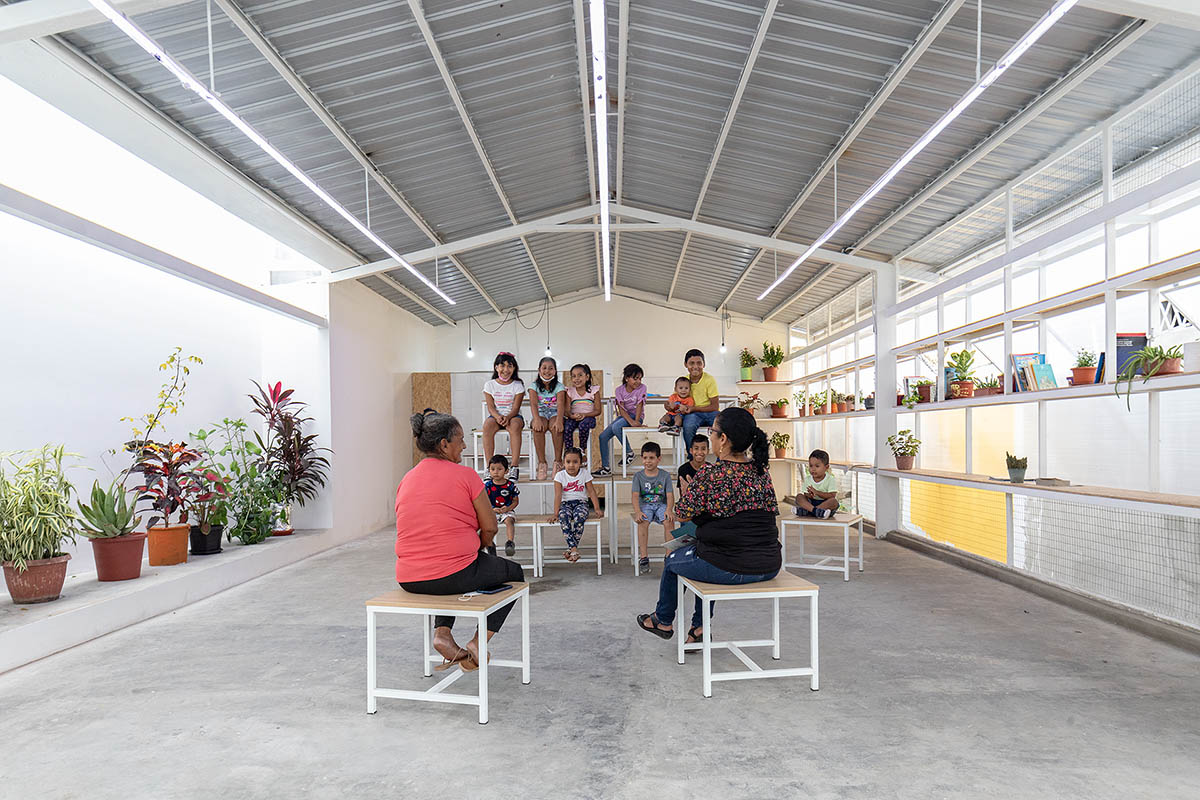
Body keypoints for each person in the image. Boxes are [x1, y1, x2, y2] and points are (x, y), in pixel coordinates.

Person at [636, 406, 780, 644]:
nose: (710, 436)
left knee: (674, 561)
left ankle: (663, 620)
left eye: (712, 432)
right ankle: (699, 629)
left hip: (731, 566)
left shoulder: (710, 474)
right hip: (769, 563)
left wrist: (689, 491)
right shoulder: (761, 471)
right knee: (706, 552)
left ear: (723, 439)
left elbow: (682, 514)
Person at [395, 409, 524, 672]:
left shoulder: (407, 479)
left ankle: (442, 634)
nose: (464, 445)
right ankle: (478, 641)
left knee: (450, 571)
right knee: (514, 573)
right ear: (444, 444)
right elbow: (490, 528)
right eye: (460, 439)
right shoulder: (466, 476)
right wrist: (478, 545)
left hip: (408, 578)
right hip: (453, 573)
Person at [547, 446, 604, 563]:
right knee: (563, 517)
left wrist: (597, 508)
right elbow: (558, 495)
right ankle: (573, 549)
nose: (571, 465)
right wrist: (555, 514)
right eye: (568, 462)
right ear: (563, 463)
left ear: (580, 463)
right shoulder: (560, 476)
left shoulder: (584, 473)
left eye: (575, 462)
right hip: (565, 504)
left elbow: (592, 492)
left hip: (581, 503)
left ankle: (572, 548)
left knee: (580, 517)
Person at [632, 441, 675, 574]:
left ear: (659, 458)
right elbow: (635, 496)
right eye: (645, 458)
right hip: (645, 506)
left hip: (661, 505)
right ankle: (644, 557)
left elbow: (670, 495)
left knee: (669, 521)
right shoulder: (638, 476)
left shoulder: (665, 475)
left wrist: (669, 509)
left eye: (651, 458)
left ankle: (669, 556)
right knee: (643, 522)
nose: (648, 461)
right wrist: (637, 511)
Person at [596, 363, 646, 476]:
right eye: (635, 378)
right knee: (603, 437)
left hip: (637, 417)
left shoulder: (642, 388)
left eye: (640, 378)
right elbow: (621, 409)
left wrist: (636, 421)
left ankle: (629, 452)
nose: (638, 381)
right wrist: (631, 422)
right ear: (627, 378)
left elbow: (640, 405)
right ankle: (606, 468)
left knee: (616, 426)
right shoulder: (619, 390)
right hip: (624, 416)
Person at [483, 352, 525, 481]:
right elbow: (490, 407)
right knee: (487, 426)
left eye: (509, 366)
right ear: (496, 367)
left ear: (514, 368)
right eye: (502, 365)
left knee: (515, 426)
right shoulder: (489, 385)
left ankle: (514, 467)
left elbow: (516, 408)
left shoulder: (517, 385)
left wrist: (508, 417)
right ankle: (489, 468)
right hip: (495, 416)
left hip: (514, 416)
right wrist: (498, 417)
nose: (505, 369)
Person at [527, 356, 565, 480]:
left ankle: (558, 462)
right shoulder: (534, 386)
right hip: (541, 413)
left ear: (555, 371)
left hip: (554, 413)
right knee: (538, 428)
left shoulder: (559, 386)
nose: (547, 371)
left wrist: (559, 420)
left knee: (556, 428)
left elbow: (561, 404)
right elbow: (533, 404)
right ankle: (542, 463)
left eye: (550, 368)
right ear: (539, 370)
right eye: (544, 368)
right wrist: (536, 419)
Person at [680, 349, 720, 451]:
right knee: (688, 426)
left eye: (699, 363)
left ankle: (721, 457)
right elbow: (676, 400)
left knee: (723, 424)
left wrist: (694, 408)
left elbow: (715, 406)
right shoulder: (683, 381)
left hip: (710, 413)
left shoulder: (709, 379)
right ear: (685, 364)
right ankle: (691, 456)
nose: (695, 366)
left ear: (704, 364)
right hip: (692, 415)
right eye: (691, 363)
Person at [485, 455, 521, 556]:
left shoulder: (510, 485)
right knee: (487, 523)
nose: (496, 472)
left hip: (507, 510)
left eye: (499, 469)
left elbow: (515, 501)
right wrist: (492, 509)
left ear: (506, 471)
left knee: (509, 521)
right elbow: (484, 501)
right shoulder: (487, 486)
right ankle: (490, 545)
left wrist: (508, 508)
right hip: (492, 511)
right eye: (492, 469)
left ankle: (510, 543)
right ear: (489, 471)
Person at [563, 363, 602, 457]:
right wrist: (572, 416)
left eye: (580, 375)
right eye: (574, 376)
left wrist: (585, 415)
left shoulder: (593, 391)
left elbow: (598, 410)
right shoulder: (570, 391)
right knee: (567, 427)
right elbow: (566, 411)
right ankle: (569, 451)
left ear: (587, 377)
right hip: (573, 418)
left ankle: (581, 450)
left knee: (583, 425)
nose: (577, 378)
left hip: (588, 418)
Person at [794, 449, 838, 519]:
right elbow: (805, 494)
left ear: (826, 467)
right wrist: (810, 495)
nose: (813, 469)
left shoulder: (830, 479)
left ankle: (808, 511)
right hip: (811, 504)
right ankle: (816, 511)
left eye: (817, 466)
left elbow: (832, 495)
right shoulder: (807, 479)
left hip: (824, 506)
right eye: (811, 466)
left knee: (834, 501)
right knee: (799, 496)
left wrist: (817, 492)